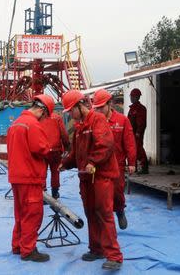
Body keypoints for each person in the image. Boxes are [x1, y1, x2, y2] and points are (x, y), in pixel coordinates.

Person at [60, 90, 123, 271]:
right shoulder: (80, 128)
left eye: (71, 111)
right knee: (90, 212)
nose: (71, 115)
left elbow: (105, 145)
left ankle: (114, 256)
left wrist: (92, 162)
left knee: (104, 213)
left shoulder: (98, 120)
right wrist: (65, 164)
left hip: (101, 176)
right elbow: (76, 154)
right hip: (87, 178)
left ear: (81, 106)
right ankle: (96, 249)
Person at [7, 94, 54, 262]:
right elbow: (41, 149)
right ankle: (28, 250)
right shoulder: (32, 124)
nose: (44, 120)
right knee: (32, 214)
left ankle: (18, 246)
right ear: (41, 110)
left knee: (20, 213)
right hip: (30, 177)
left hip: (16, 177)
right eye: (45, 116)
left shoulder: (16, 124)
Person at [92, 89, 136, 230]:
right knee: (101, 196)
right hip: (99, 166)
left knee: (117, 193)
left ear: (109, 104)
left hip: (117, 165)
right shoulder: (93, 121)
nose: (99, 110)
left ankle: (120, 211)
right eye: (96, 107)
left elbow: (129, 142)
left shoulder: (122, 120)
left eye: (101, 107)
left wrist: (132, 162)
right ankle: (106, 223)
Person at [40, 111, 70, 198]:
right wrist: (67, 147)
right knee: (55, 172)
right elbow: (64, 134)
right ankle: (55, 193)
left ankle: (43, 195)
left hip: (42, 149)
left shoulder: (38, 117)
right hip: (55, 151)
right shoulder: (57, 117)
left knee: (42, 172)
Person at [127, 88, 148, 174]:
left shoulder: (140, 109)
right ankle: (134, 166)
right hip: (132, 133)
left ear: (137, 97)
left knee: (138, 149)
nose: (131, 98)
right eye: (131, 96)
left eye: (132, 96)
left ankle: (144, 167)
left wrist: (138, 132)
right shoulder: (132, 109)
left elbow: (141, 122)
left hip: (137, 133)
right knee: (133, 150)